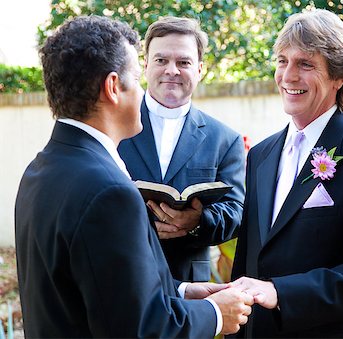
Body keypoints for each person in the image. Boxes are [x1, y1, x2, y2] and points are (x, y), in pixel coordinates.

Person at [14, 15, 253, 338]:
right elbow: (143, 328)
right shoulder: (109, 192)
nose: (143, 90)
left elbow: (98, 290)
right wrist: (216, 313)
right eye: (138, 77)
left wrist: (180, 292)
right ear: (113, 87)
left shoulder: (40, 170)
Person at [230, 8, 343, 338]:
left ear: (339, 77)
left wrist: (281, 293)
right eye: (282, 60)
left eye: (305, 64)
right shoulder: (260, 155)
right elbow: (249, 262)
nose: (288, 75)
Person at [118, 16, 245, 282]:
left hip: (189, 280)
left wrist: (198, 221)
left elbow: (237, 210)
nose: (171, 70)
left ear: (199, 69)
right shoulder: (114, 126)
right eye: (161, 60)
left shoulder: (225, 139)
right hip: (121, 274)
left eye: (183, 62)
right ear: (145, 65)